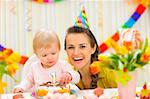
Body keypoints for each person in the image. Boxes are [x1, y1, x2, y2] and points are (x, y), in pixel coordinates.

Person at [13, 29, 80, 93]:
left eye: (53, 53)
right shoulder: (34, 67)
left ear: (58, 50)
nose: (50, 58)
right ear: (37, 55)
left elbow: (77, 77)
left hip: (60, 96)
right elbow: (27, 81)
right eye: (44, 55)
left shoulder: (62, 65)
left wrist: (70, 75)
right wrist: (21, 87)